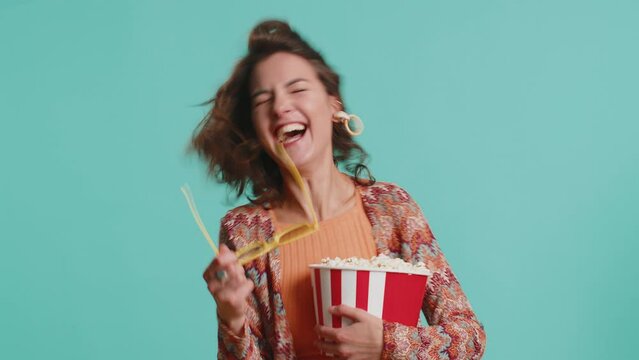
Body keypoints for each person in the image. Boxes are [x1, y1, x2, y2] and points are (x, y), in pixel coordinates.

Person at [191, 19, 486, 360]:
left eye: (297, 88)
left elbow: (469, 339)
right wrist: (233, 320)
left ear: (333, 105)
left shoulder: (392, 209)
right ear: (257, 129)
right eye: (263, 99)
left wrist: (384, 343)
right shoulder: (244, 233)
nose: (280, 106)